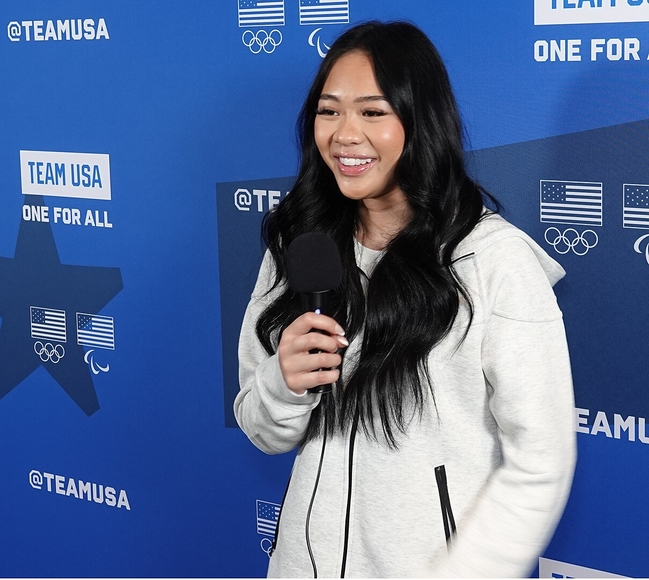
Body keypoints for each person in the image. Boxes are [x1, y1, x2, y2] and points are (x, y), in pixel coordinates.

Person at [234, 20, 576, 578]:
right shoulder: (302, 241)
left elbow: (541, 462)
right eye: (329, 110)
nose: (345, 134)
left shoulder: (492, 260)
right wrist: (283, 383)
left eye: (372, 112)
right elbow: (261, 427)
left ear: (420, 121)